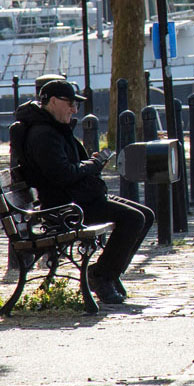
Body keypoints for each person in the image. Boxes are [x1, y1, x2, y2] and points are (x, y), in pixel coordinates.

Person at [18, 78, 153, 306]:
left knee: (146, 214)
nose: (74, 109)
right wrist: (92, 166)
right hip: (66, 207)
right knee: (133, 218)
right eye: (70, 103)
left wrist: (91, 164)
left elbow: (69, 168)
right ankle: (101, 276)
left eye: (76, 104)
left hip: (78, 198)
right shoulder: (43, 134)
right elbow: (62, 174)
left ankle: (109, 272)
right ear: (52, 101)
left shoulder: (55, 128)